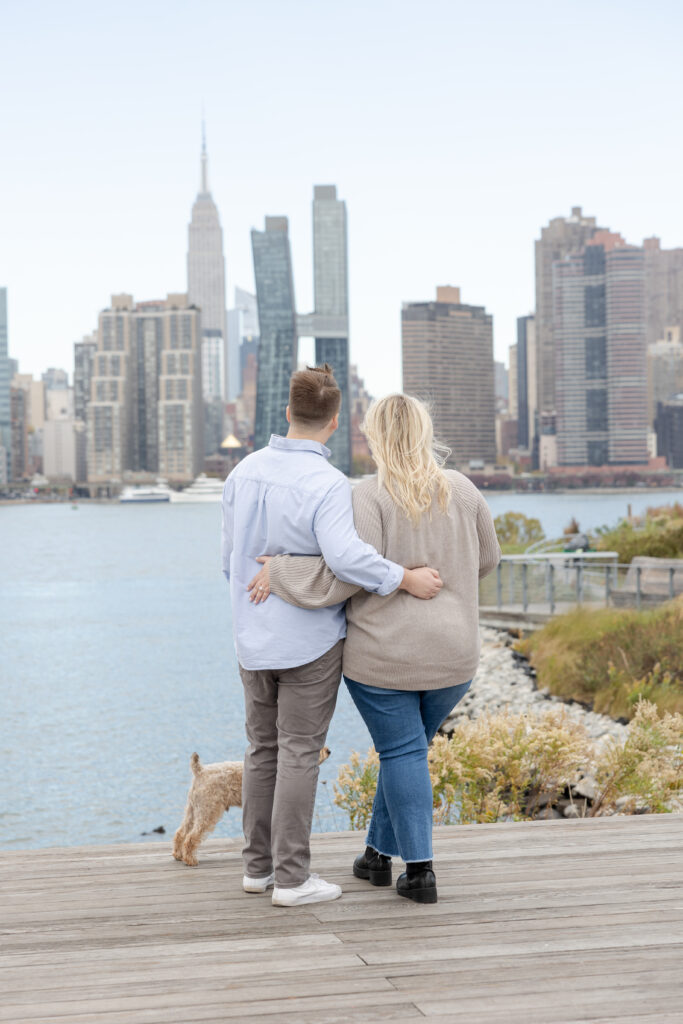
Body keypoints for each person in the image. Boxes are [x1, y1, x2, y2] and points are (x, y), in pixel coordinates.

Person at [247, 393, 501, 904]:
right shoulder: (464, 490)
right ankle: (377, 855)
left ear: (376, 439)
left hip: (384, 660)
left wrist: (281, 570)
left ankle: (421, 871)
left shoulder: (367, 496)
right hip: (455, 657)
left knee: (402, 750)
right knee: (405, 751)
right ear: (426, 434)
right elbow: (489, 559)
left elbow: (344, 574)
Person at [221, 366, 443, 908]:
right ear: (336, 421)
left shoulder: (242, 472)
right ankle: (293, 879)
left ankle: (258, 869)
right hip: (309, 644)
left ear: (288, 412)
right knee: (300, 751)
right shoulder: (326, 483)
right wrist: (405, 578)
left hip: (251, 638)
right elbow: (346, 559)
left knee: (261, 748)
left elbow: (228, 561)